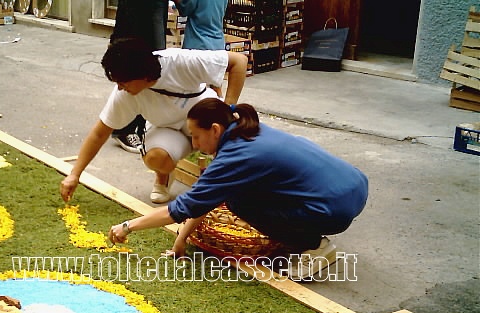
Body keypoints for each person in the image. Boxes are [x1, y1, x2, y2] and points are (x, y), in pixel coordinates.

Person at [107, 98, 369, 279]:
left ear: (215, 129)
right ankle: (305, 232)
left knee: (238, 201)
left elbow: (184, 207)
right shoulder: (249, 131)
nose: (195, 144)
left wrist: (128, 226)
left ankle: (314, 246)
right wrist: (181, 239)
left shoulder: (236, 156)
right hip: (354, 186)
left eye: (196, 136)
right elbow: (204, 196)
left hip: (334, 209)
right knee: (237, 193)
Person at [60, 38, 247, 204]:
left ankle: (230, 186)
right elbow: (100, 132)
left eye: (123, 82)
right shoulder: (124, 94)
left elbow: (239, 61)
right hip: (167, 130)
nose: (120, 87)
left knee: (234, 141)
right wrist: (74, 175)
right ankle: (163, 176)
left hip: (204, 119)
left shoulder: (178, 61)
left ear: (143, 75)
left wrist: (228, 109)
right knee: (156, 157)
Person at [109, 0, 169, 154]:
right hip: (138, 23)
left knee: (149, 74)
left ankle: (141, 128)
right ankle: (124, 129)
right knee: (135, 72)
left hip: (153, 15)